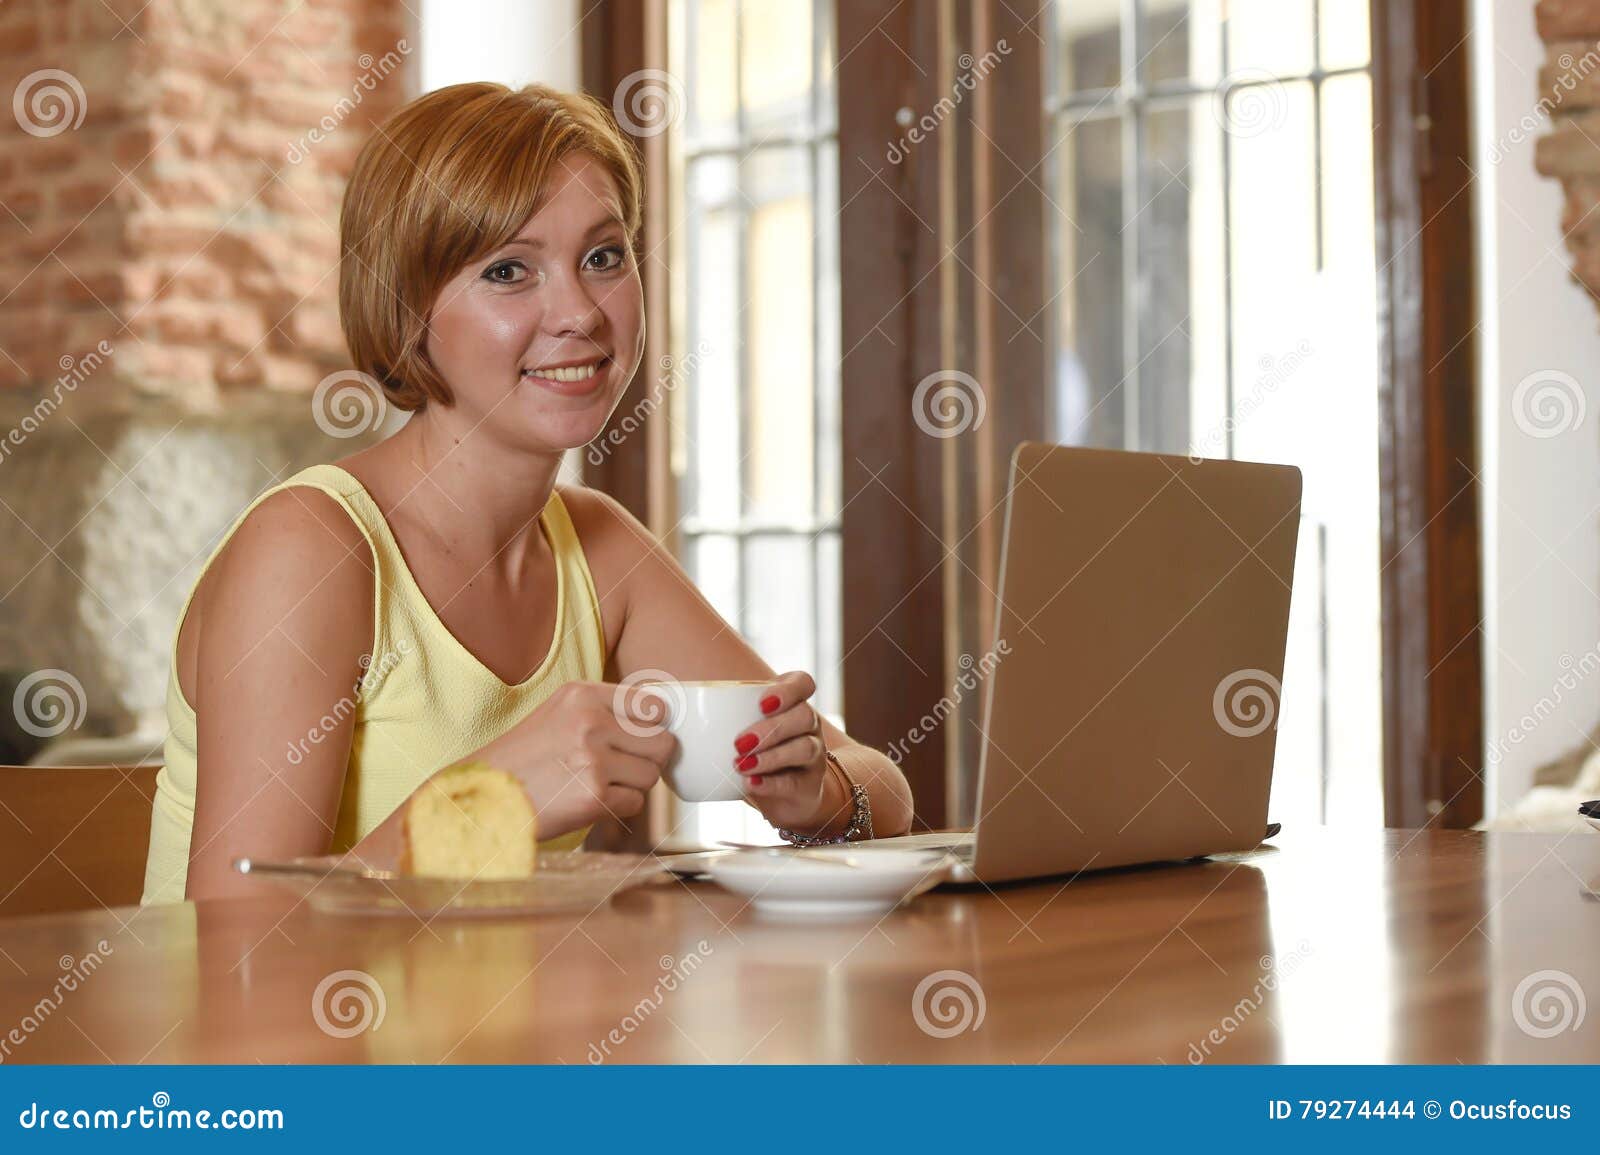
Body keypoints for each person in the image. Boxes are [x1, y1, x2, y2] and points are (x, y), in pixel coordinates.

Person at [140, 82, 914, 904]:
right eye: (510, 270)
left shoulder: (600, 548)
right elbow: (235, 944)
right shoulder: (310, 549)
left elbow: (884, 786)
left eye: (604, 257)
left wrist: (818, 791)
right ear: (406, 309)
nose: (580, 311)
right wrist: (488, 798)